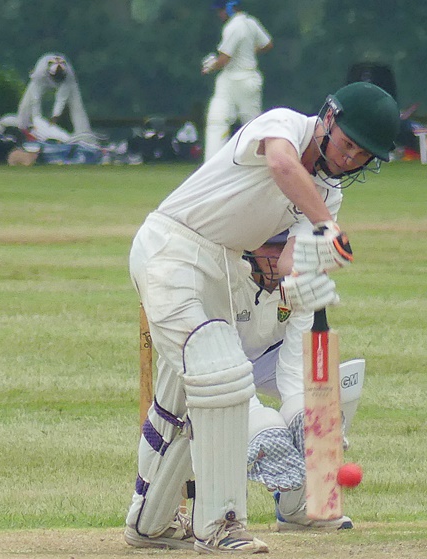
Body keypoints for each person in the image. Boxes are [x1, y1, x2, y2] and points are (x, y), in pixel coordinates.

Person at [122, 81, 398, 554]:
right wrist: (326, 228)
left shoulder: (328, 194)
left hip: (226, 269)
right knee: (222, 375)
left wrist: (309, 273)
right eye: (348, 145)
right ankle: (220, 525)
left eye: (363, 155)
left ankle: (150, 523)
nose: (351, 159)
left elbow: (287, 261)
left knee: (191, 392)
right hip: (173, 246)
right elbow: (282, 165)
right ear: (328, 119)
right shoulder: (284, 124)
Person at [236, 232, 363, 532]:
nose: (277, 253)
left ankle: (295, 508)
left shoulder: (300, 282)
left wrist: (313, 426)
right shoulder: (230, 278)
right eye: (269, 244)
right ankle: (220, 510)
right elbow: (225, 362)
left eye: (284, 244)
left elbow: (295, 369)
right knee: (248, 423)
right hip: (220, 358)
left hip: (271, 359)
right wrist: (260, 422)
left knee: (326, 395)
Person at [201, 0, 272, 162]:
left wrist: (211, 66)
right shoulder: (251, 22)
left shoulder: (234, 26)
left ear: (230, 8)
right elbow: (267, 44)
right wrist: (248, 52)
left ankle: (217, 163)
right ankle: (215, 164)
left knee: (250, 125)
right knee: (223, 119)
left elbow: (225, 58)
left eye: (221, 10)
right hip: (240, 78)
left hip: (240, 79)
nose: (219, 14)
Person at [15, 53, 95, 144]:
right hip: (40, 79)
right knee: (27, 101)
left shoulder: (68, 75)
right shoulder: (40, 73)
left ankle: (84, 135)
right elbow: (35, 98)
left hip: (67, 80)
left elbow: (61, 98)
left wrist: (55, 115)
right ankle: (21, 127)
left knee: (77, 105)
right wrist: (36, 118)